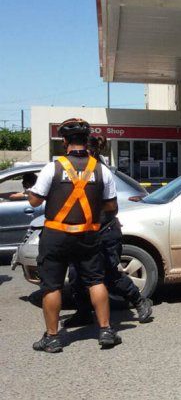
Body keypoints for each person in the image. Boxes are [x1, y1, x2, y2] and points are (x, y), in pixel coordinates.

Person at [27, 118, 121, 353]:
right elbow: (112, 207)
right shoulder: (101, 170)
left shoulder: (53, 168)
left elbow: (35, 200)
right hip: (88, 235)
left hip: (56, 236)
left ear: (65, 142)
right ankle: (106, 330)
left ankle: (53, 337)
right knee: (95, 281)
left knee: (52, 286)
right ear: (86, 141)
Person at [62, 135, 153, 328]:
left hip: (104, 231)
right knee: (76, 275)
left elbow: (112, 208)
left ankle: (139, 301)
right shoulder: (73, 171)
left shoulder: (100, 171)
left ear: (89, 151)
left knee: (108, 274)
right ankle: (84, 312)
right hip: (81, 232)